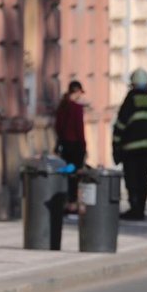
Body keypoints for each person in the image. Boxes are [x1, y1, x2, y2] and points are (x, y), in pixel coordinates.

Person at [113, 68, 147, 220]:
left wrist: (116, 147)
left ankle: (134, 208)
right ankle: (141, 208)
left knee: (132, 179)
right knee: (144, 179)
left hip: (131, 148)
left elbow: (120, 125)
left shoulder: (131, 100)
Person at [55, 80, 86, 214]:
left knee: (66, 173)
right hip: (76, 146)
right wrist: (83, 146)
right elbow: (79, 129)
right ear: (77, 91)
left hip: (64, 145)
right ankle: (73, 203)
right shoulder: (77, 108)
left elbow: (58, 127)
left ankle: (66, 201)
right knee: (75, 174)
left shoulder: (62, 107)